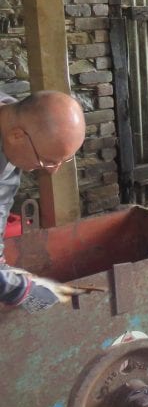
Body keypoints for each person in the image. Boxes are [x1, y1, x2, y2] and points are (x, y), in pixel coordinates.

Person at [0, 90, 87, 312]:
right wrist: (19, 290)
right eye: (47, 161)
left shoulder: (10, 120)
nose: (52, 171)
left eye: (62, 161)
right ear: (17, 136)